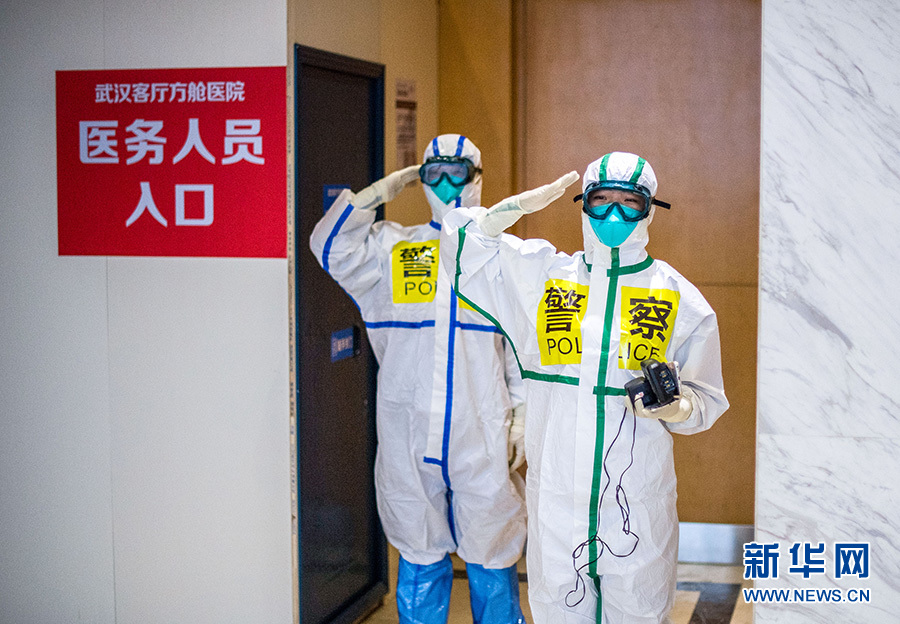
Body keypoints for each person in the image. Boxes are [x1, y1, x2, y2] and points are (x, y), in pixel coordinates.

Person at [439, 151, 729, 623]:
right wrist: (506, 212)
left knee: (638, 611)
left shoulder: (677, 296)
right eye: (601, 200)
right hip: (556, 499)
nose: (614, 215)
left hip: (635, 502)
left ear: (650, 210)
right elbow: (461, 255)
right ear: (584, 204)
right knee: (559, 611)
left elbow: (706, 399)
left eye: (629, 203)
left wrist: (676, 407)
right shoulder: (544, 277)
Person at [309, 134, 527, 624]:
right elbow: (328, 246)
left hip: (480, 426)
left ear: (477, 179)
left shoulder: (502, 256)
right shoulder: (392, 249)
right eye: (434, 174)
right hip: (407, 426)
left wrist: (522, 413)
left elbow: (521, 345)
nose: (446, 185)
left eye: (457, 173)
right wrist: (374, 196)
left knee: (491, 545)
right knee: (416, 542)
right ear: (420, 180)